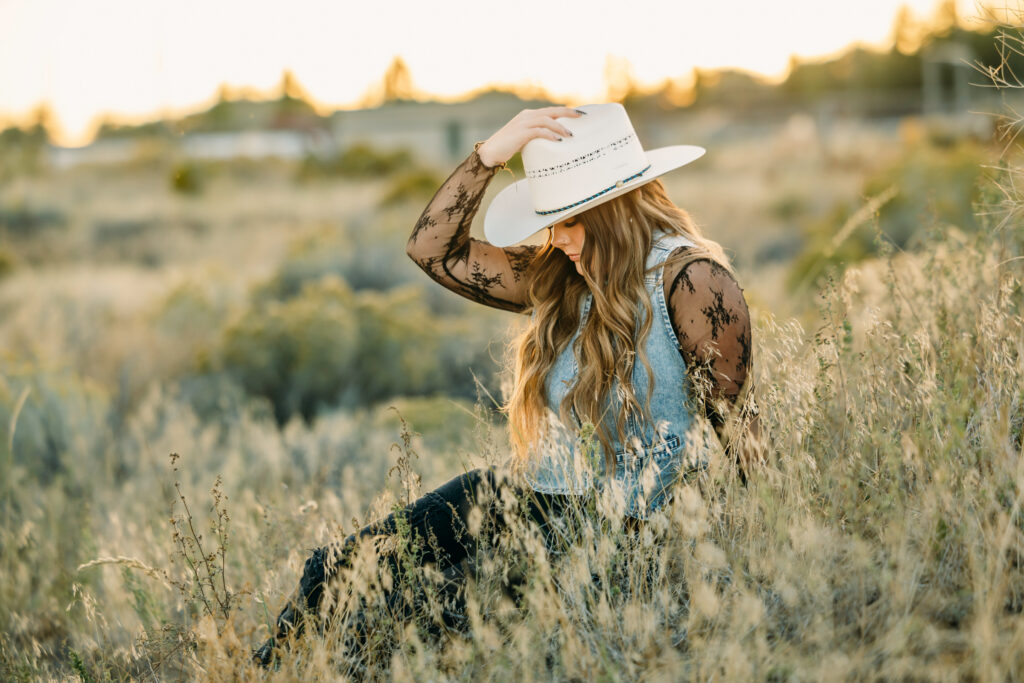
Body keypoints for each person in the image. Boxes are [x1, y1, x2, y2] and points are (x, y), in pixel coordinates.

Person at [253, 103, 764, 667]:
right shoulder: (561, 275)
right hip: (528, 496)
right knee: (335, 571)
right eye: (551, 219)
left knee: (417, 616)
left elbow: (739, 429)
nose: (557, 237)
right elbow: (433, 250)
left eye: (569, 219)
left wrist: (753, 554)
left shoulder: (693, 281)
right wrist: (488, 155)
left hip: (620, 529)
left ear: (613, 208)